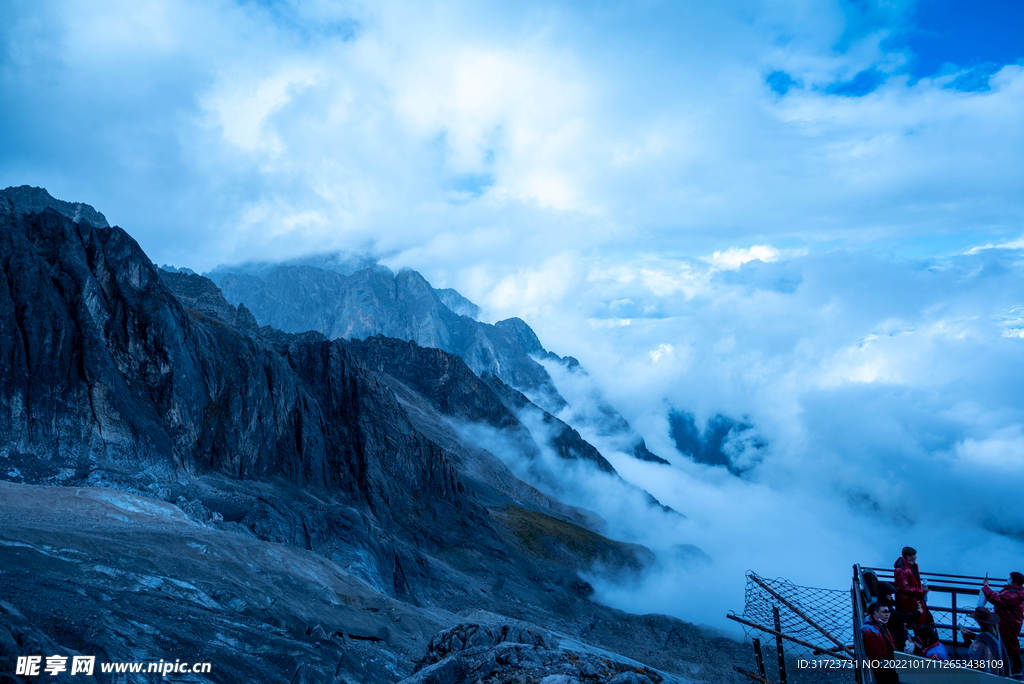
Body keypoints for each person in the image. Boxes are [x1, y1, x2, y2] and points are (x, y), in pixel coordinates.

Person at [983, 572, 1024, 677]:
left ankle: (1017, 668)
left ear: (1014, 580)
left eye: (1010, 577)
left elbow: (996, 599)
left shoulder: (1014, 594)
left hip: (1009, 622)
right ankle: (1011, 665)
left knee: (1011, 643)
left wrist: (986, 587)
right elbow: (1002, 596)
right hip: (1009, 621)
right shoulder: (1015, 591)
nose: (1008, 579)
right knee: (1008, 642)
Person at [875, 582, 922, 652]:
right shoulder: (885, 607)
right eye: (889, 594)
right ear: (883, 594)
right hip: (894, 637)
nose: (891, 595)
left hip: (893, 634)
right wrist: (918, 613)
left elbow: (897, 617)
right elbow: (900, 617)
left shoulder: (883, 604)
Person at [960, 607, 1007, 676]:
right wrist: (972, 635)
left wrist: (965, 636)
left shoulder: (982, 638)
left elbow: (973, 653)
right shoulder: (997, 633)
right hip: (999, 667)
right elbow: (987, 640)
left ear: (979, 622)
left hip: (986, 671)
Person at [862, 601, 900, 684]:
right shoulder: (871, 632)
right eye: (884, 612)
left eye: (888, 612)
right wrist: (896, 666)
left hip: (888, 668)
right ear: (875, 613)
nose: (887, 615)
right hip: (883, 673)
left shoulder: (881, 626)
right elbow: (876, 660)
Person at [894, 546, 932, 626]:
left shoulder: (909, 567)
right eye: (914, 555)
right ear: (908, 557)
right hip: (910, 602)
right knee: (917, 623)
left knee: (921, 622)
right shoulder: (902, 570)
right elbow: (905, 588)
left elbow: (912, 582)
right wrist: (921, 590)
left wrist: (920, 588)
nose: (916, 557)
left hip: (914, 599)